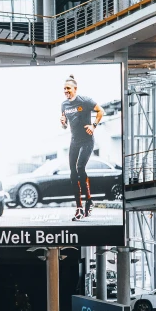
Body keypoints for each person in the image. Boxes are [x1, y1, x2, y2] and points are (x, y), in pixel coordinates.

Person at [60, 74, 104, 221]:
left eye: (68, 88)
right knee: (73, 173)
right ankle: (79, 207)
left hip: (87, 140)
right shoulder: (64, 105)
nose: (66, 91)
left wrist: (94, 125)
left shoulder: (85, 101)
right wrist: (62, 123)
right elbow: (65, 125)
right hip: (74, 141)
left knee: (80, 168)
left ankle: (89, 201)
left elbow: (101, 111)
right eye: (64, 89)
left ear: (75, 89)